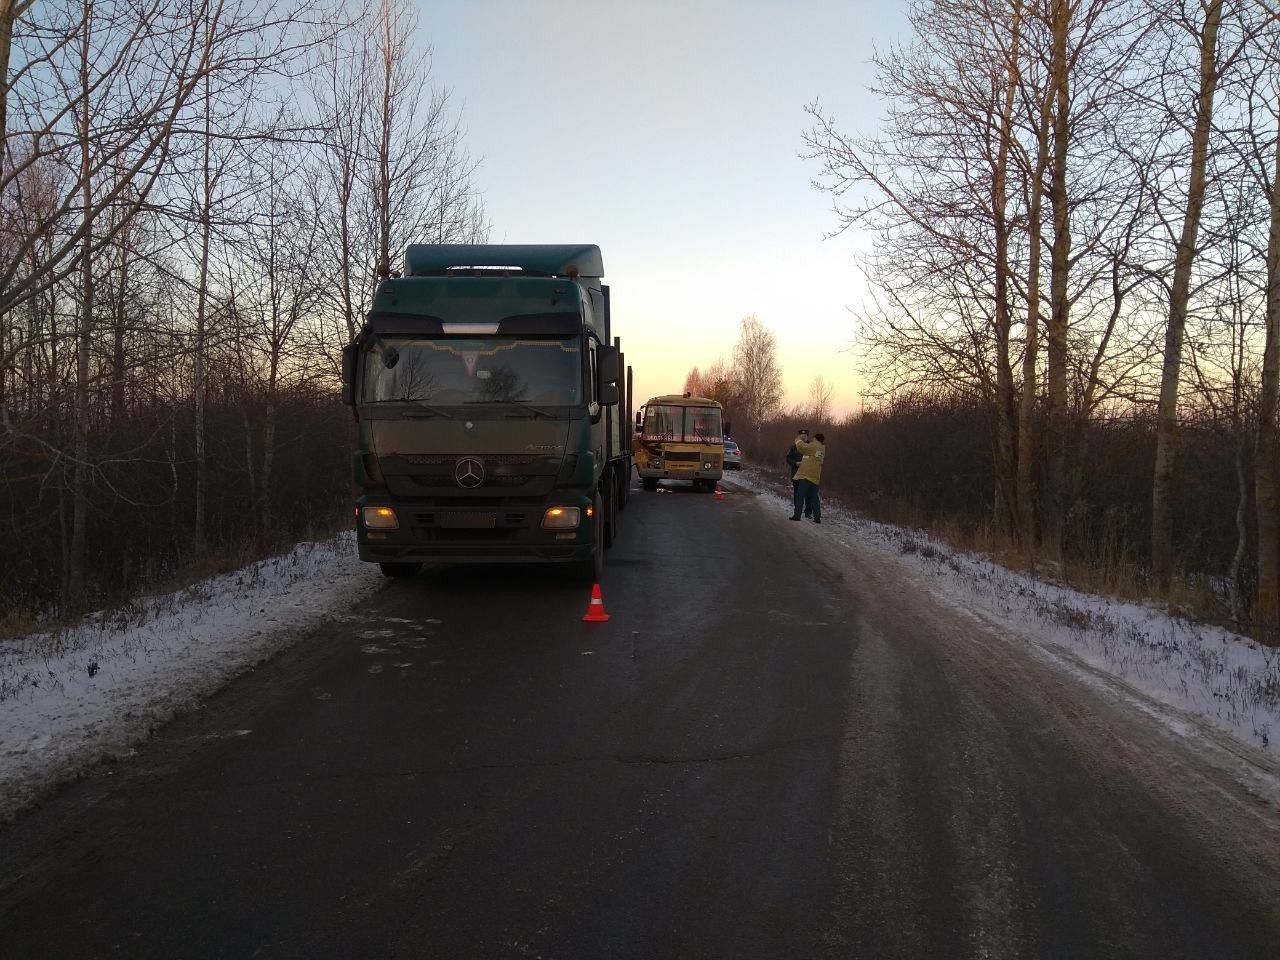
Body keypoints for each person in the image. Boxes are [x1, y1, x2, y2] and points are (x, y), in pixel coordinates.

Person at [789, 431, 825, 524]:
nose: (812, 440)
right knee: (814, 498)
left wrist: (798, 439)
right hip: (815, 476)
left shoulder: (814, 445)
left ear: (816, 439)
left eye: (813, 439)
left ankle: (797, 515)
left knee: (800, 495)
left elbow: (802, 447)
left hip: (806, 476)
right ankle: (817, 518)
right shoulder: (822, 448)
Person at [785, 428, 811, 518]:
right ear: (799, 437)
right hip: (796, 473)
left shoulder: (811, 447)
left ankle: (808, 513)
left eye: (805, 436)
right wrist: (795, 463)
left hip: (808, 474)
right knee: (797, 494)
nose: (803, 437)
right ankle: (797, 513)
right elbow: (788, 458)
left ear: (808, 437)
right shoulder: (794, 447)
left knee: (808, 494)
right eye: (802, 436)